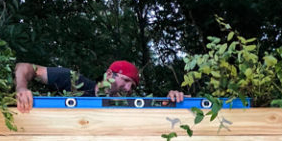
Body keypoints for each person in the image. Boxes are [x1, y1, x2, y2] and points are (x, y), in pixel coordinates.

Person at [14, 59, 184, 113]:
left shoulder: (127, 106)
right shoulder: (75, 82)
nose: (127, 89)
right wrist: (21, 88)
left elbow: (158, 109)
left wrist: (175, 100)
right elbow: (27, 68)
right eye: (125, 81)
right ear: (109, 74)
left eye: (131, 86)